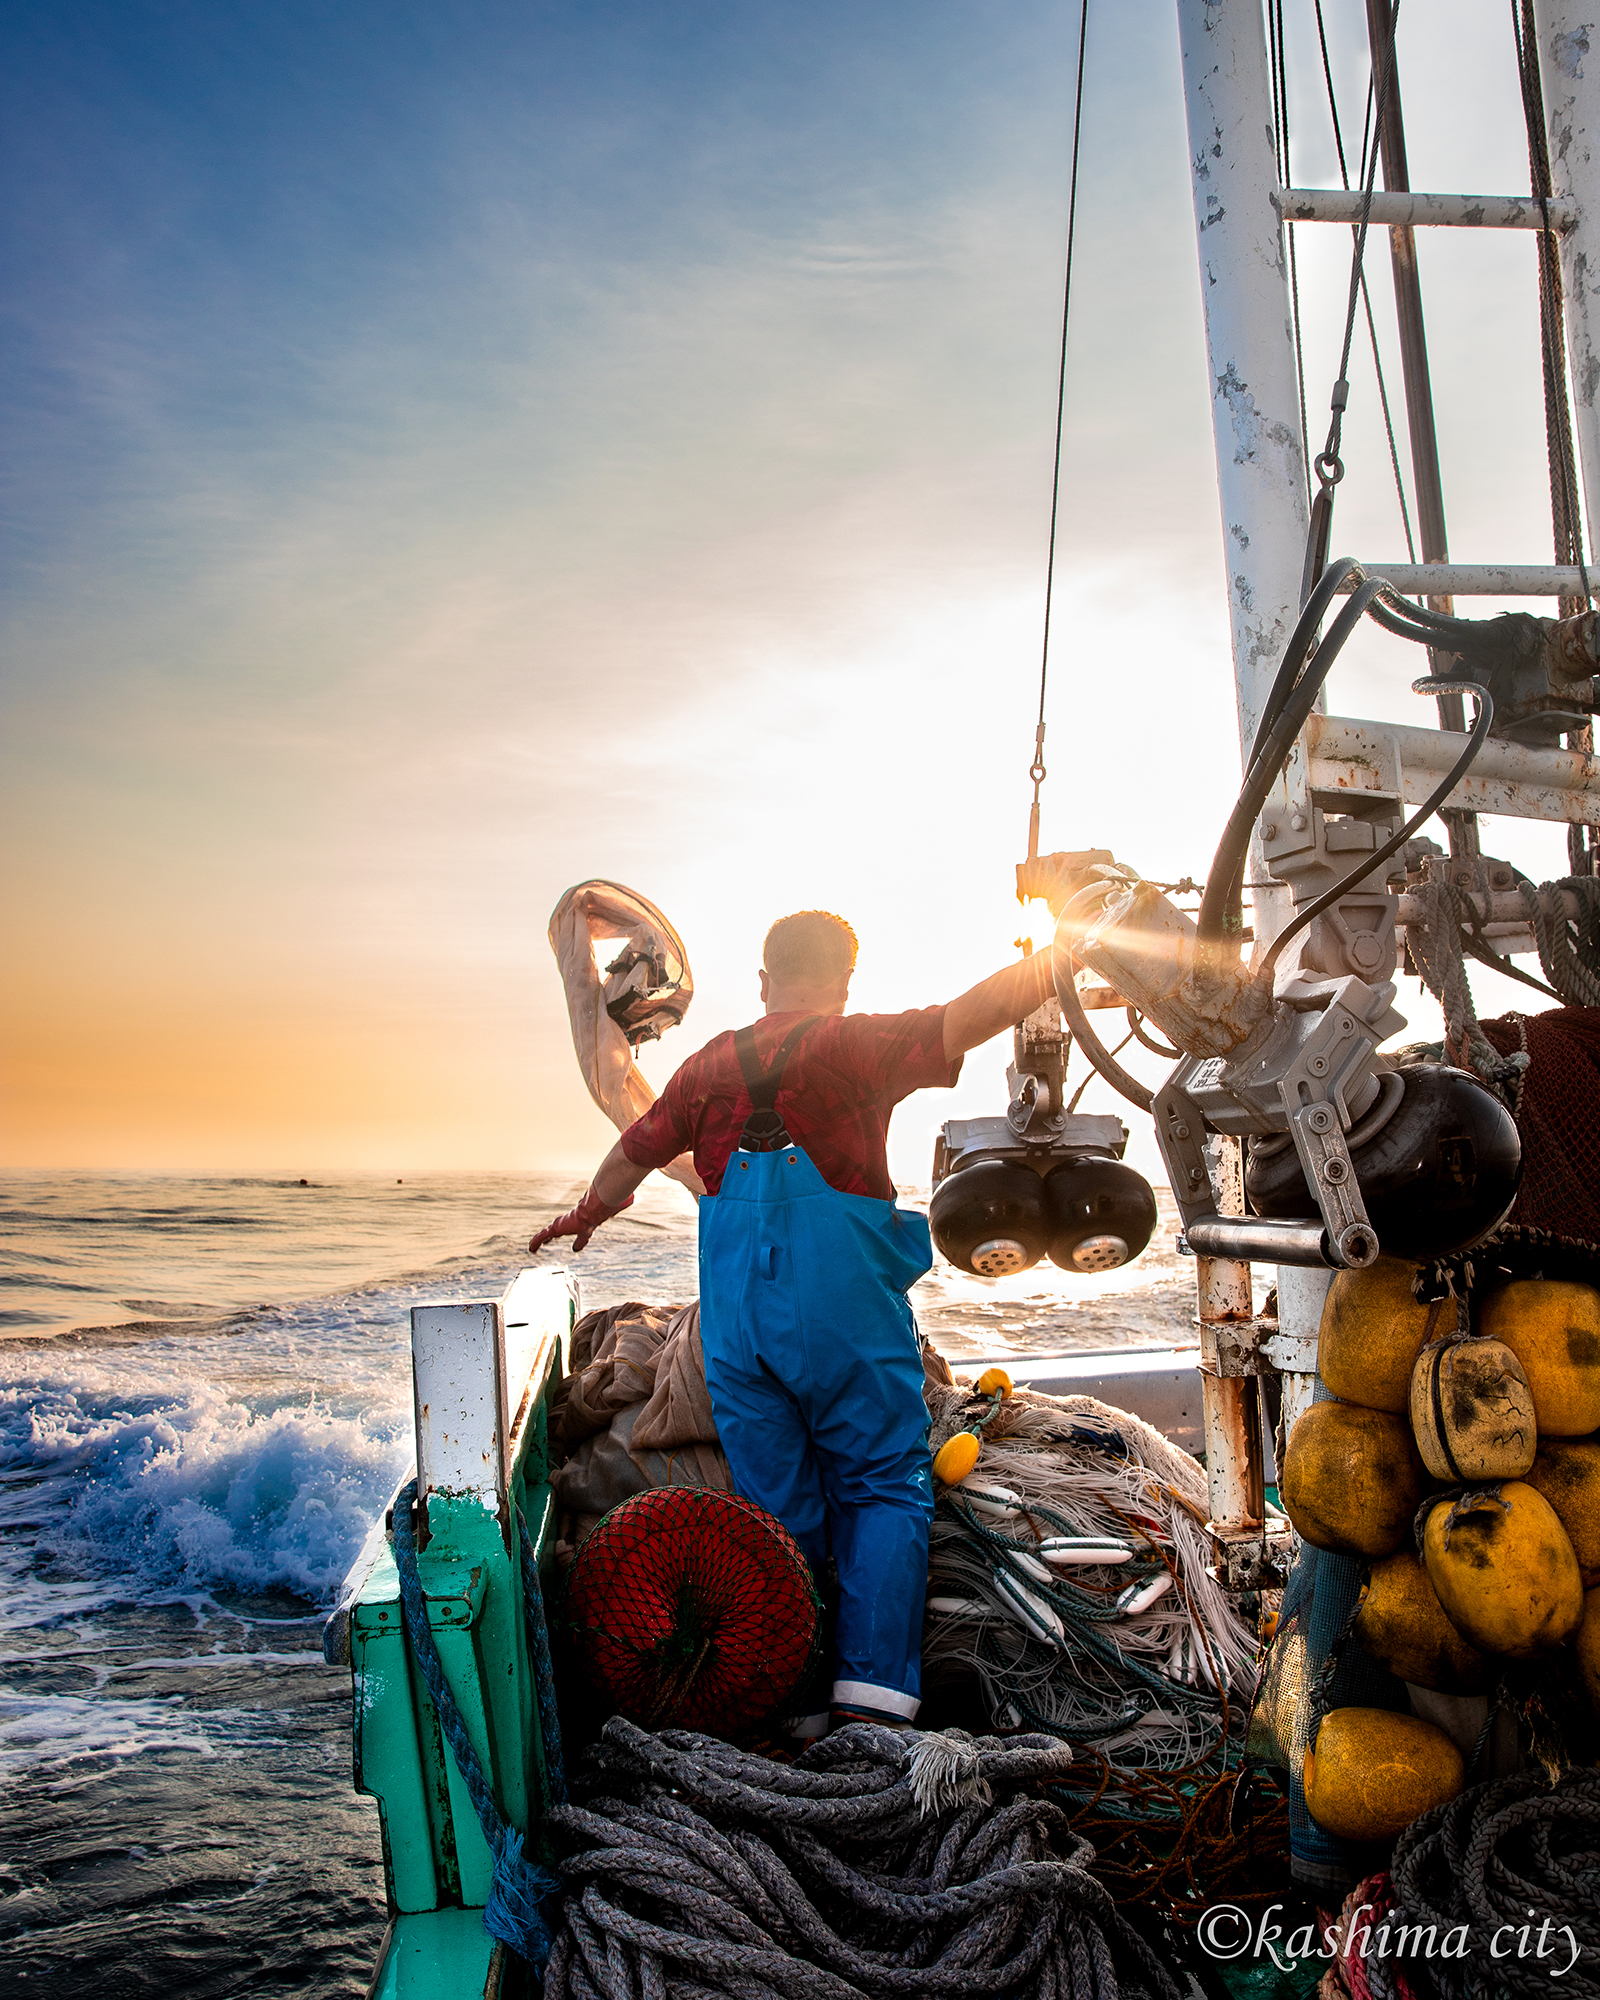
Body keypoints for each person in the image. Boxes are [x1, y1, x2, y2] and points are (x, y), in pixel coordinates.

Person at [529, 909, 1054, 1731]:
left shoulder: (708, 1067)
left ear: (764, 982)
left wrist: (589, 1213)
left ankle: (793, 1692)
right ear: (845, 983)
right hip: (845, 1328)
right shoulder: (852, 1046)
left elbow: (634, 1148)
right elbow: (969, 1016)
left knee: (777, 1510)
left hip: (739, 1337)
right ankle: (873, 1704)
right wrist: (1060, 963)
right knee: (882, 1490)